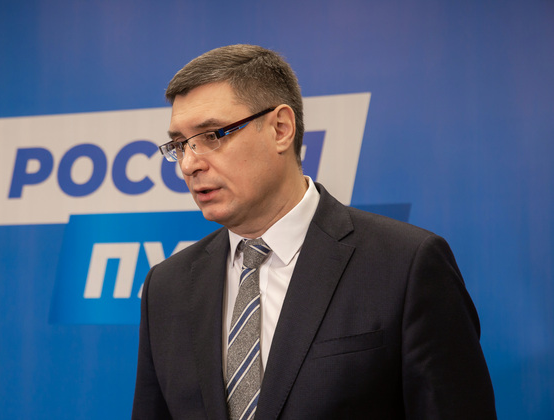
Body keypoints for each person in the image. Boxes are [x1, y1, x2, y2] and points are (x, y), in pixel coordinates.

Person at [132, 44, 496, 419]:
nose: (189, 164)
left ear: (280, 129)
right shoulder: (167, 286)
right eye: (180, 145)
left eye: (211, 136)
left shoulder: (405, 265)